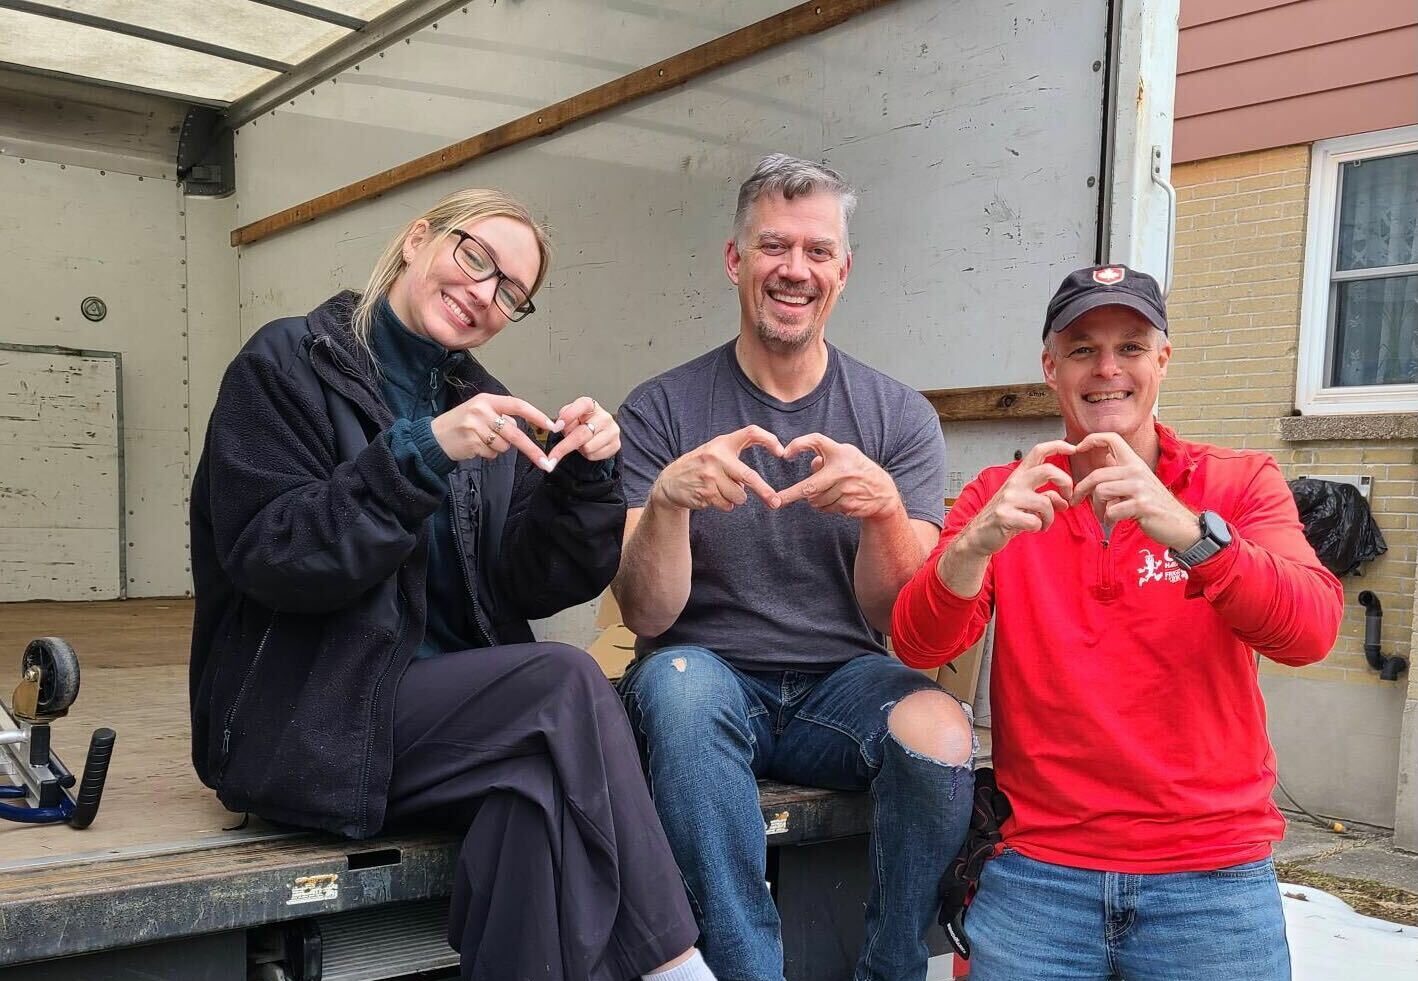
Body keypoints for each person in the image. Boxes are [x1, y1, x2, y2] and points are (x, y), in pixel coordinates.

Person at [188, 189, 713, 981]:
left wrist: (588, 479)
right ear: (418, 239)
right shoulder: (284, 366)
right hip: (314, 720)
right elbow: (275, 554)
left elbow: (533, 582)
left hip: (450, 726)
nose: (484, 294)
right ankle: (675, 963)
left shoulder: (478, 404)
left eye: (511, 293)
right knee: (565, 679)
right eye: (476, 259)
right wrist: (419, 456)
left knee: (531, 805)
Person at [892, 264, 1344, 981]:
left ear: (1162, 359)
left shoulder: (1237, 483)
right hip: (1039, 877)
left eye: (1131, 346)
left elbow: (1311, 629)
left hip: (1212, 881)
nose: (1108, 369)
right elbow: (920, 640)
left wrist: (1188, 530)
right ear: (1051, 368)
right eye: (1082, 349)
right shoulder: (1002, 494)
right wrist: (977, 542)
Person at [613, 154, 975, 981]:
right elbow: (645, 615)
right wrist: (668, 502)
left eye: (818, 251)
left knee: (943, 729)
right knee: (677, 685)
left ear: (843, 271)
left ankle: (890, 970)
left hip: (840, 687)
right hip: (704, 674)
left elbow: (900, 620)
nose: (795, 270)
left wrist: (884, 509)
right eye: (775, 246)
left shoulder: (897, 416)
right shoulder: (662, 408)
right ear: (736, 260)